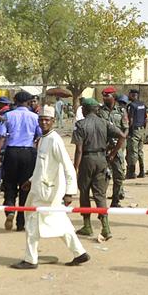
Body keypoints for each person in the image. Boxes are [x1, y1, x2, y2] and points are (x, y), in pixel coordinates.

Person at [11, 106, 89, 270]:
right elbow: (42, 166)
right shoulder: (43, 139)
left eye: (47, 120)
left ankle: (30, 260)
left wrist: (70, 192)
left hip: (49, 193)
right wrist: (31, 180)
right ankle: (79, 253)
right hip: (39, 189)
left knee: (32, 224)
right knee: (60, 222)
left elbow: (68, 166)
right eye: (41, 120)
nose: (44, 122)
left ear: (53, 121)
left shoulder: (55, 140)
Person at [72, 98, 125, 240]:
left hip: (87, 160)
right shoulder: (104, 123)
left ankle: (87, 225)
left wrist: (75, 168)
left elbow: (79, 150)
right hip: (102, 160)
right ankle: (106, 228)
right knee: (100, 194)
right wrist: (112, 154)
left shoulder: (80, 125)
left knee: (84, 192)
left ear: (84, 109)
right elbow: (122, 135)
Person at [0, 91, 42, 232]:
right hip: (28, 153)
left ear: (15, 101)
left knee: (9, 184)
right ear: (28, 102)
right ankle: (21, 222)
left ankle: (10, 210)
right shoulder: (35, 117)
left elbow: (2, 137)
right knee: (25, 187)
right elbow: (39, 135)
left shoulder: (8, 116)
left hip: (11, 152)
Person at [97, 88, 129, 208]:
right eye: (104, 96)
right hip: (104, 146)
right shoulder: (100, 111)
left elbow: (126, 127)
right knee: (102, 174)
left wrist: (123, 137)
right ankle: (101, 200)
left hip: (118, 147)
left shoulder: (121, 111)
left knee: (119, 174)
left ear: (113, 96)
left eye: (107, 96)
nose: (105, 98)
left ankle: (116, 199)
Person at [126, 88, 148, 178]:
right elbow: (146, 119)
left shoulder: (132, 106)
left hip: (134, 131)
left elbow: (130, 120)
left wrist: (128, 131)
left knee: (133, 152)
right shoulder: (143, 105)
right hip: (142, 130)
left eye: (129, 94)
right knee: (140, 152)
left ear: (132, 95)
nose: (128, 96)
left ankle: (131, 173)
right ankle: (142, 171)